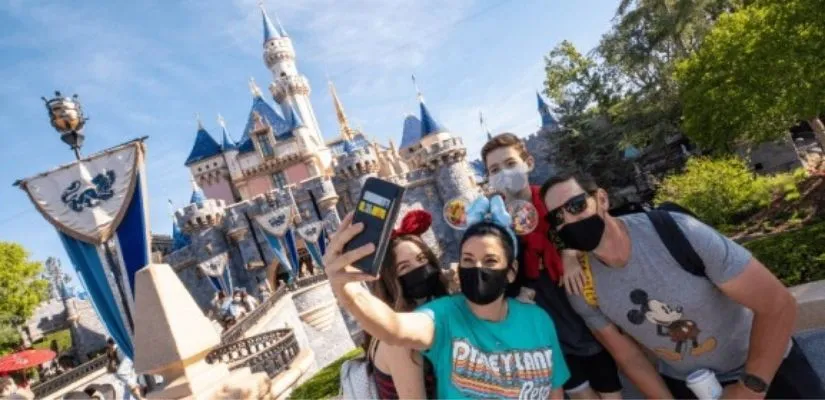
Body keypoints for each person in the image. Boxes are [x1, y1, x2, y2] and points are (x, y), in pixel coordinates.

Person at [541, 172, 825, 399]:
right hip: (690, 385)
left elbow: (777, 303)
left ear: (601, 199)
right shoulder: (582, 285)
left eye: (576, 206)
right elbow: (629, 357)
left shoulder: (677, 231)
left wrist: (750, 389)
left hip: (768, 369)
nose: (570, 220)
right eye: (557, 217)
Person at [325, 195, 570, 399]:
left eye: (490, 260)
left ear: (511, 270)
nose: (478, 268)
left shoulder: (537, 319)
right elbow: (393, 327)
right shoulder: (443, 317)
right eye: (468, 260)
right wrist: (346, 287)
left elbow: (554, 390)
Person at [482, 133, 623, 399]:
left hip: (573, 291)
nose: (504, 174)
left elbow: (583, 227)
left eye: (510, 164)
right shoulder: (496, 222)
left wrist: (569, 255)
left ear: (528, 163)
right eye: (494, 170)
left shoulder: (552, 201)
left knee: (605, 375)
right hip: (540, 309)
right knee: (576, 386)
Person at [364, 210, 449, 399]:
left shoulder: (432, 315)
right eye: (404, 267)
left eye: (421, 259)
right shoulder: (398, 339)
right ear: (390, 280)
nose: (420, 269)